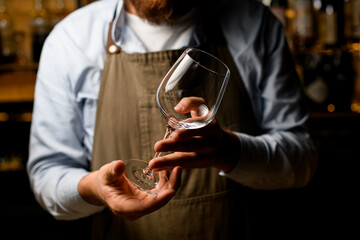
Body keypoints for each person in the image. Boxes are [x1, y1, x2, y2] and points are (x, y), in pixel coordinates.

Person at [27, 0, 317, 239]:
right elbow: (47, 174)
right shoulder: (71, 39)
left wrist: (228, 151)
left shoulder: (256, 24)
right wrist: (95, 188)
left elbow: (301, 162)